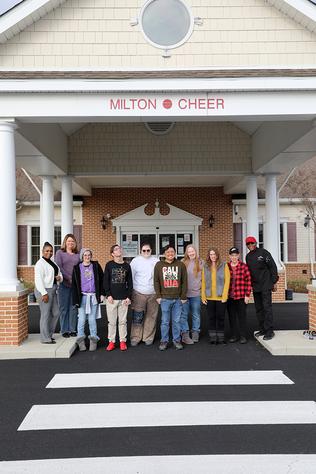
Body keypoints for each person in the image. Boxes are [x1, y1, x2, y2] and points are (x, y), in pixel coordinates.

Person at [154, 244, 187, 351]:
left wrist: (183, 296)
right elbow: (156, 281)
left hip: (177, 298)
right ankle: (164, 341)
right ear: (164, 254)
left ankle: (177, 340)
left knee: (176, 321)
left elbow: (184, 282)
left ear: (175, 253)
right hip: (164, 299)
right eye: (168, 252)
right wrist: (158, 296)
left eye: (172, 252)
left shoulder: (180, 265)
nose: (170, 254)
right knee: (165, 321)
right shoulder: (159, 265)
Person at [245, 235, 279, 340]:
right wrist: (249, 285)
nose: (250, 245)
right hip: (256, 286)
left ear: (256, 243)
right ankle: (263, 329)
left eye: (252, 243)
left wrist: (274, 281)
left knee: (267, 308)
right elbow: (249, 272)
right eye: (248, 244)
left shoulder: (264, 253)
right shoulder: (248, 257)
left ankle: (269, 331)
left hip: (266, 284)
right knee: (259, 309)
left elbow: (273, 266)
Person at [72, 248, 105, 352]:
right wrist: (75, 299)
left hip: (93, 296)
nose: (87, 257)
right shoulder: (77, 268)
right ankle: (81, 340)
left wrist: (102, 294)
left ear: (91, 256)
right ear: (82, 256)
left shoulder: (95, 266)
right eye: (85, 255)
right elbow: (74, 284)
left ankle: (93, 339)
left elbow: (102, 280)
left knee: (92, 319)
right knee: (81, 319)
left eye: (89, 255)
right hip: (82, 296)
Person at [103, 244, 133, 351]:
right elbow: (105, 281)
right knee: (111, 322)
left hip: (124, 299)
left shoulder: (127, 266)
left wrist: (129, 297)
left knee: (122, 321)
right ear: (112, 253)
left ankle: (122, 341)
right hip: (112, 299)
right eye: (116, 249)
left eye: (120, 248)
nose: (119, 250)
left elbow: (130, 283)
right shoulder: (109, 265)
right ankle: (111, 341)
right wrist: (108, 295)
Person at [130, 242, 159, 346]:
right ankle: (135, 337)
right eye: (144, 250)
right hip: (139, 293)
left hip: (153, 293)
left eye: (148, 250)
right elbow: (131, 277)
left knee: (151, 316)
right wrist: (132, 292)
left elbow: (158, 277)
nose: (146, 252)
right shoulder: (135, 261)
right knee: (137, 316)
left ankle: (148, 336)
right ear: (140, 251)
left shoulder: (156, 261)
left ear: (151, 250)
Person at [34, 242, 63, 344]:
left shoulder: (52, 263)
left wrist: (60, 278)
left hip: (53, 290)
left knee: (56, 313)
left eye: (51, 251)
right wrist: (43, 293)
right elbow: (38, 280)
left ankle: (49, 334)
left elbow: (59, 274)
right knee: (45, 314)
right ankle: (45, 338)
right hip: (44, 290)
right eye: (47, 251)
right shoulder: (40, 264)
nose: (49, 252)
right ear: (42, 251)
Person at [201, 247, 230, 344]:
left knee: (221, 317)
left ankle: (221, 338)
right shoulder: (205, 266)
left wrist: (224, 296)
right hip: (209, 297)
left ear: (217, 255)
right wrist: (203, 296)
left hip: (220, 297)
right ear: (209, 256)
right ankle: (213, 338)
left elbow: (227, 281)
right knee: (211, 318)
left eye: (214, 254)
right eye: (211, 254)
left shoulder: (224, 265)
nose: (213, 256)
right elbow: (203, 282)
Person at [55, 233, 80, 338]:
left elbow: (80, 268)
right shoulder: (60, 253)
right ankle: (64, 330)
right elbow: (59, 266)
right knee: (64, 308)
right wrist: (68, 277)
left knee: (73, 307)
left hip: (75, 285)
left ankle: (72, 329)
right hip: (64, 285)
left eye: (72, 241)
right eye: (69, 241)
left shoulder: (78, 254)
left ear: (75, 243)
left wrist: (74, 280)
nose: (70, 243)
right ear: (65, 242)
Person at [227, 247, 252, 344]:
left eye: (235, 255)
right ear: (229, 256)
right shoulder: (227, 266)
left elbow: (248, 281)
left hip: (241, 296)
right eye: (232, 255)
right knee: (232, 317)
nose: (234, 257)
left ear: (238, 255)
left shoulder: (244, 266)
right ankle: (233, 335)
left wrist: (247, 295)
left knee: (242, 317)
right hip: (230, 297)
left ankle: (243, 336)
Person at [180, 245, 203, 344]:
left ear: (195, 251)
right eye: (189, 252)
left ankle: (195, 331)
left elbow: (204, 278)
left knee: (196, 314)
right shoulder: (182, 262)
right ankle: (185, 333)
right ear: (186, 253)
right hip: (185, 294)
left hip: (196, 293)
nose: (191, 253)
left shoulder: (201, 262)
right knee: (184, 314)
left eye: (192, 251)